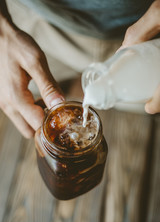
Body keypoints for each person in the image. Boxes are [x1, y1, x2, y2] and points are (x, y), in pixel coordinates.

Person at [0, 0, 160, 138]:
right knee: (31, 87)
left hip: (139, 36)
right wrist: (3, 33)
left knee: (149, 106)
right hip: (27, 24)